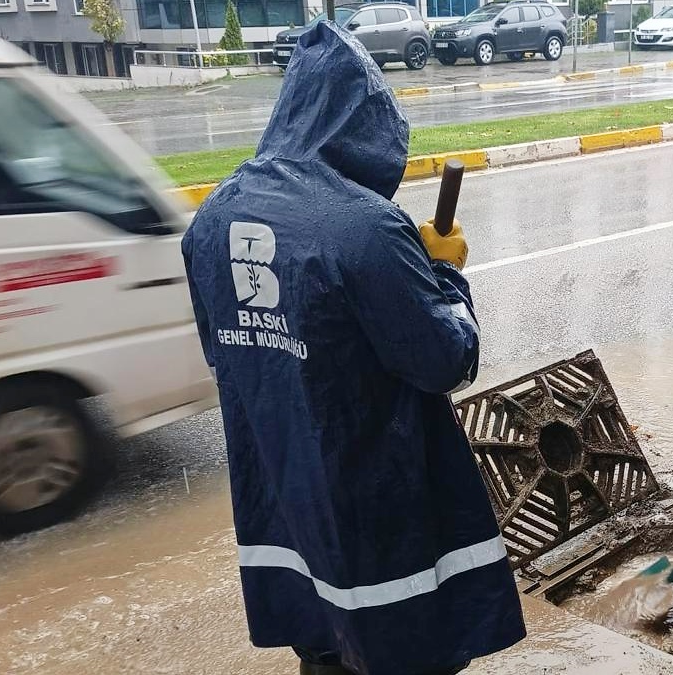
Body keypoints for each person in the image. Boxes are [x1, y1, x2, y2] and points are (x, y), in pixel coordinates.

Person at [181, 22, 526, 675]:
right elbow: (444, 359)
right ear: (365, 127)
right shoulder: (367, 226)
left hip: (285, 503)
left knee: (323, 645)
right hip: (375, 512)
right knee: (399, 651)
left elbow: (222, 354)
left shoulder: (215, 215)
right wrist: (446, 274)